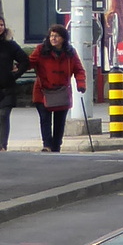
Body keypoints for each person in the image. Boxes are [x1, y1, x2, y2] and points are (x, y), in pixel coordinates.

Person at [29, 23, 87, 152]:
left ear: (63, 38)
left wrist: (81, 84)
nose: (53, 38)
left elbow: (79, 70)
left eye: (57, 36)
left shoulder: (70, 53)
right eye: (51, 36)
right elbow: (30, 62)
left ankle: (56, 146)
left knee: (59, 122)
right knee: (45, 120)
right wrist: (16, 68)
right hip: (43, 92)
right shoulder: (41, 50)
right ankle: (47, 145)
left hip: (61, 92)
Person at [0, 15, 31, 151]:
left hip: (6, 88)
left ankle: (3, 146)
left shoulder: (10, 45)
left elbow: (25, 61)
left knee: (3, 115)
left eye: (1, 25)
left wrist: (15, 74)